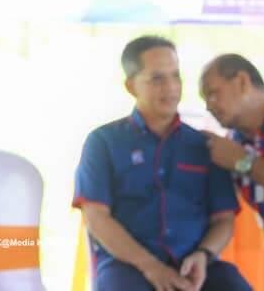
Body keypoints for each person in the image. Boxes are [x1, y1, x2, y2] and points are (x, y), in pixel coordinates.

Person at [73, 35, 250, 291]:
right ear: (131, 86)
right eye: (157, 78)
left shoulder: (205, 146)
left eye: (175, 76)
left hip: (196, 265)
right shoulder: (102, 143)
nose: (171, 87)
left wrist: (203, 254)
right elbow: (97, 217)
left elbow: (223, 219)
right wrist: (150, 266)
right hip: (128, 266)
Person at [200, 54, 264, 230]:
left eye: (212, 93)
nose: (208, 106)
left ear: (242, 82)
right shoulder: (229, 145)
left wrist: (243, 161)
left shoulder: (232, 153)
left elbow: (239, 159)